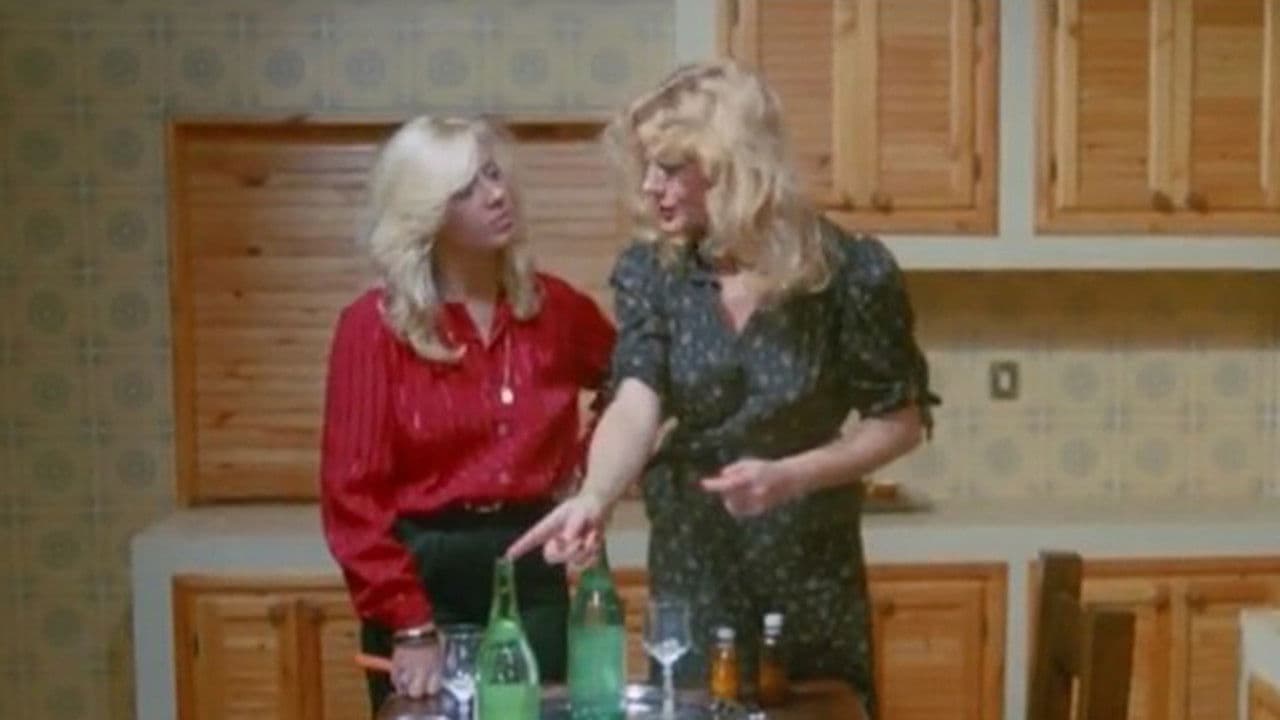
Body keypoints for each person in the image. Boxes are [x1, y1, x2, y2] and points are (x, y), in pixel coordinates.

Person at [507, 61, 938, 719]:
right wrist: (594, 496)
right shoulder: (656, 271)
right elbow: (635, 399)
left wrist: (791, 476)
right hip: (694, 561)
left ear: (733, 165)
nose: (649, 187)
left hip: (808, 564)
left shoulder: (847, 272)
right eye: (646, 168)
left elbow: (898, 421)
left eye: (669, 167)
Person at [319, 116, 615, 714]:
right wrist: (409, 625)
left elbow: (637, 385)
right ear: (427, 213)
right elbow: (353, 498)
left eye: (494, 174)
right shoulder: (373, 327)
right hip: (422, 570)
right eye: (465, 190)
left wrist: (589, 476)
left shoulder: (556, 309)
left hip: (531, 560)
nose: (497, 195)